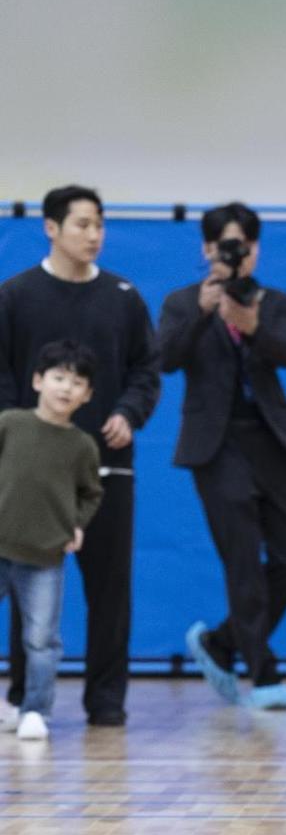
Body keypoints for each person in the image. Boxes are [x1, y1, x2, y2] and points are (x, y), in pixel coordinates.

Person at [0, 185, 160, 728]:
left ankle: (107, 699)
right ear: (51, 227)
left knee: (110, 587)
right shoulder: (16, 295)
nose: (93, 235)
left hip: (106, 467)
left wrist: (128, 414)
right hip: (30, 478)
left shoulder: (123, 296)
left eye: (99, 225)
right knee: (28, 588)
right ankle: (25, 697)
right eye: (82, 224)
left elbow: (147, 369)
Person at [159, 202, 286, 710]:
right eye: (225, 245)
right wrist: (205, 312)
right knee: (242, 562)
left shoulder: (274, 300)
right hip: (215, 446)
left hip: (270, 439)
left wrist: (248, 322)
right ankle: (263, 673)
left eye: (244, 246)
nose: (235, 253)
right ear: (206, 250)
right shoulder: (183, 301)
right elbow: (166, 358)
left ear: (255, 248)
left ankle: (222, 643)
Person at [0, 341, 104, 741]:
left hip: (44, 555)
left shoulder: (82, 446)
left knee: (41, 639)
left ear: (88, 395)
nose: (66, 388)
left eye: (77, 382)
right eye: (58, 377)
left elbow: (91, 493)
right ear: (38, 380)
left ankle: (35, 711)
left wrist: (77, 524)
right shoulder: (10, 423)